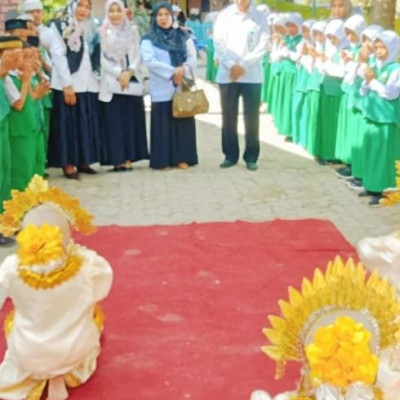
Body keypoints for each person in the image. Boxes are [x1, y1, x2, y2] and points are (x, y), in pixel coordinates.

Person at [0, 175, 113, 400]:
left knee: (17, 317)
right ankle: (60, 375)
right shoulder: (87, 265)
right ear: (66, 241)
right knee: (92, 311)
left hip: (28, 352)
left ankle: (41, 373)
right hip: (72, 349)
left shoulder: (11, 268)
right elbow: (102, 289)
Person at [141, 1, 198, 170]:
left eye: (166, 14)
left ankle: (183, 158)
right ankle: (163, 160)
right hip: (162, 85)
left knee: (182, 120)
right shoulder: (149, 38)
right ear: (155, 17)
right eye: (160, 15)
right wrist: (174, 71)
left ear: (172, 16)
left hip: (181, 85)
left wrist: (184, 69)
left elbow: (192, 57)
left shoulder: (182, 35)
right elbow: (150, 62)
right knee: (163, 123)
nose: (163, 18)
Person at [48, 0, 101, 179]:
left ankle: (83, 160)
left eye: (87, 7)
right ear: (72, 6)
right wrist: (67, 84)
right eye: (80, 5)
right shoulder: (59, 25)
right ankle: (68, 163)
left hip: (88, 83)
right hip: (69, 82)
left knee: (84, 122)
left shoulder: (92, 27)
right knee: (68, 125)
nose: (83, 10)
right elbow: (58, 55)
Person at [214, 0, 269, 171]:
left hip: (251, 76)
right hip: (227, 75)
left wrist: (243, 65)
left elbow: (262, 45)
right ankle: (230, 155)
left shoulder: (259, 17)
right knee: (228, 118)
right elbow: (218, 44)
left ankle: (251, 156)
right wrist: (232, 65)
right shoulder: (224, 16)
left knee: (251, 118)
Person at [99, 0, 148, 171]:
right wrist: (118, 72)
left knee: (130, 120)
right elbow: (100, 58)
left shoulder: (132, 30)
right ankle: (116, 158)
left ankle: (129, 157)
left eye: (118, 10)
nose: (115, 14)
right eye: (111, 11)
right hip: (111, 81)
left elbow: (138, 53)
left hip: (130, 80)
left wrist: (130, 71)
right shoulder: (102, 32)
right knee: (113, 122)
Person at [358, 30, 400, 206]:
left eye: (383, 47)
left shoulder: (395, 69)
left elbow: (390, 93)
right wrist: (367, 81)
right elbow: (363, 89)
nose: (379, 51)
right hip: (372, 116)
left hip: (386, 120)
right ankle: (371, 185)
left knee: (384, 157)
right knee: (371, 152)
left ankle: (385, 190)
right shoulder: (376, 66)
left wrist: (373, 81)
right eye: (377, 47)